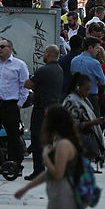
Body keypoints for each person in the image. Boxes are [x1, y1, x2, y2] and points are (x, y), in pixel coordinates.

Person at [0, 39, 29, 170]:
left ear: (10, 48)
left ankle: (14, 161)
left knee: (12, 134)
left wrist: (19, 103)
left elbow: (24, 85)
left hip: (10, 104)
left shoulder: (19, 65)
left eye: (2, 47)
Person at [23, 45, 64, 180]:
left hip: (42, 109)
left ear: (48, 54)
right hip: (53, 108)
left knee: (37, 140)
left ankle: (39, 171)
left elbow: (28, 84)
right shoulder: (59, 70)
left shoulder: (44, 70)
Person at [64, 73, 105, 186]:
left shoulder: (82, 99)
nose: (88, 92)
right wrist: (93, 123)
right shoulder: (72, 101)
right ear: (78, 87)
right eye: (86, 89)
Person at [69, 37, 105, 116]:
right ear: (90, 48)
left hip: (76, 95)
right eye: (97, 48)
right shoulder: (95, 63)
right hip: (91, 95)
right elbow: (102, 80)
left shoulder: (74, 60)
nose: (98, 50)